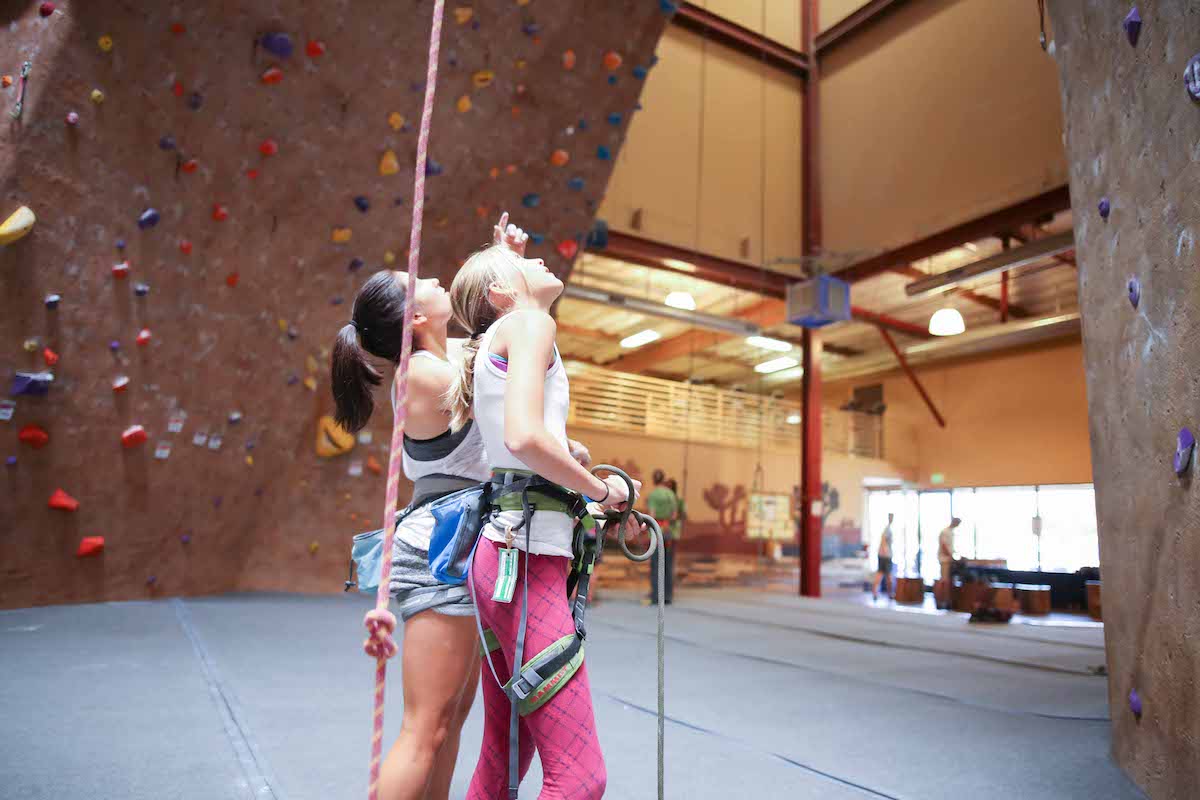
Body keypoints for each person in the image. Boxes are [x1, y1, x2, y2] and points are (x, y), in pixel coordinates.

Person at [332, 214, 528, 800]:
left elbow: (500, 344)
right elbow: (500, 366)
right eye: (420, 277)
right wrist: (512, 295)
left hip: (465, 544)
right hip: (442, 547)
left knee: (447, 725)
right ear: (415, 317)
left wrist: (505, 266)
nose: (437, 276)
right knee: (425, 727)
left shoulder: (449, 356)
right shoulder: (419, 374)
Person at [445, 236, 637, 799]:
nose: (540, 261)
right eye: (525, 263)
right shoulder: (530, 325)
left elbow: (525, 436)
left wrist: (568, 453)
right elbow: (524, 436)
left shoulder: (495, 340)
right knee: (579, 778)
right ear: (504, 294)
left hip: (504, 556)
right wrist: (601, 490)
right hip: (526, 561)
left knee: (503, 759)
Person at [645, 470, 678, 605]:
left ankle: (656, 596)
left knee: (656, 565)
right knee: (668, 564)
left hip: (656, 531)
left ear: (653, 480)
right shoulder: (671, 494)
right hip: (668, 530)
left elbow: (651, 515)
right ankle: (668, 596)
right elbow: (674, 515)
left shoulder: (653, 495)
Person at [937, 517, 962, 610]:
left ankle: (947, 600)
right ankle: (940, 601)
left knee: (948, 581)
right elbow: (944, 546)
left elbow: (951, 547)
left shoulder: (951, 532)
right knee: (943, 580)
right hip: (945, 560)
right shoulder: (945, 532)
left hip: (949, 559)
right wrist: (950, 556)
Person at [871, 513, 894, 601]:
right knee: (885, 575)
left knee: (881, 574)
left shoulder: (888, 529)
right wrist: (886, 551)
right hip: (885, 556)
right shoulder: (887, 529)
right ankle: (889, 593)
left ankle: (880, 592)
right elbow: (883, 539)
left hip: (883, 555)